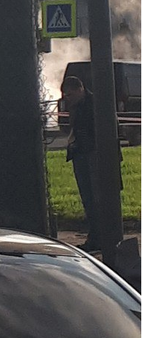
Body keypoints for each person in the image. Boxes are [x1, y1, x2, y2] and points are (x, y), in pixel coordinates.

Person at [61, 76, 100, 251]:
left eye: (69, 95)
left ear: (80, 89)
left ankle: (98, 238)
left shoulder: (94, 104)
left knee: (95, 199)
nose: (67, 99)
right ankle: (95, 236)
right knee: (88, 198)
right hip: (81, 154)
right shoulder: (77, 105)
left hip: (92, 155)